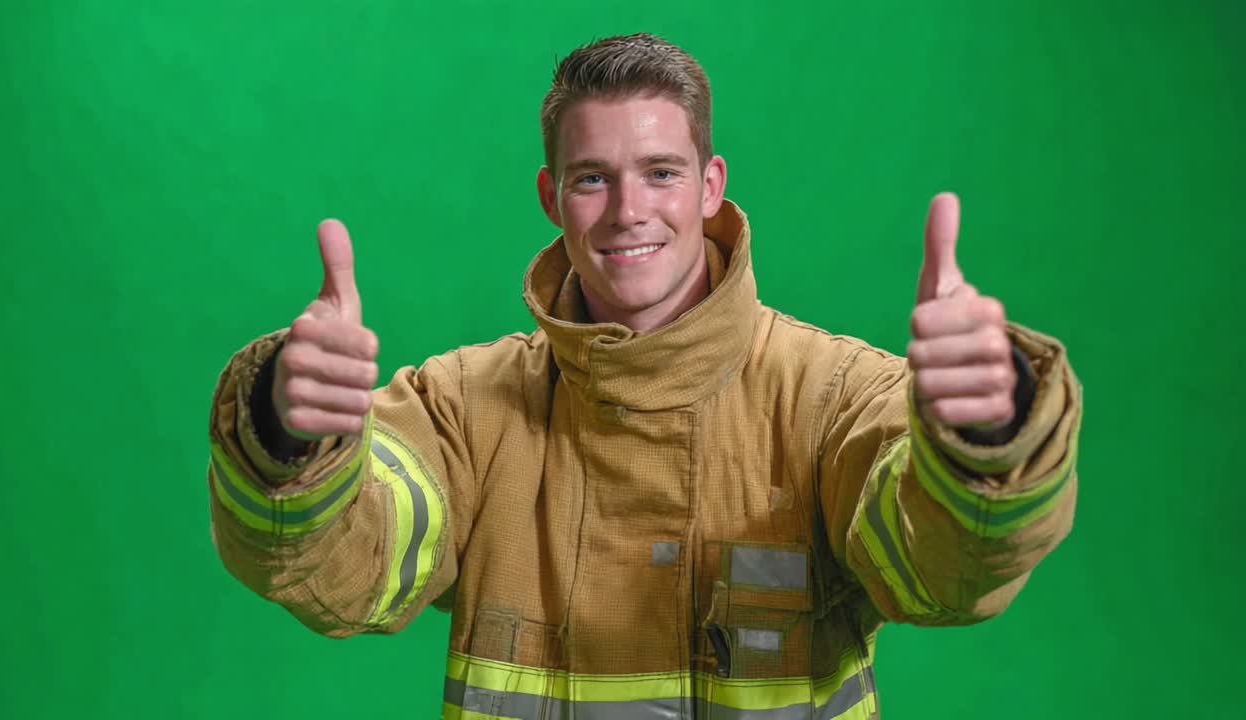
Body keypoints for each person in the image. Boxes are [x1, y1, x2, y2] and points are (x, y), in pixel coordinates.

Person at [207, 32, 1081, 719]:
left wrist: (980, 437)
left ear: (709, 185)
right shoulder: (462, 409)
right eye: (594, 179)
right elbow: (351, 571)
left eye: (660, 173)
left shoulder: (832, 396)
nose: (630, 211)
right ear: (552, 197)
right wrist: (295, 435)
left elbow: (940, 573)